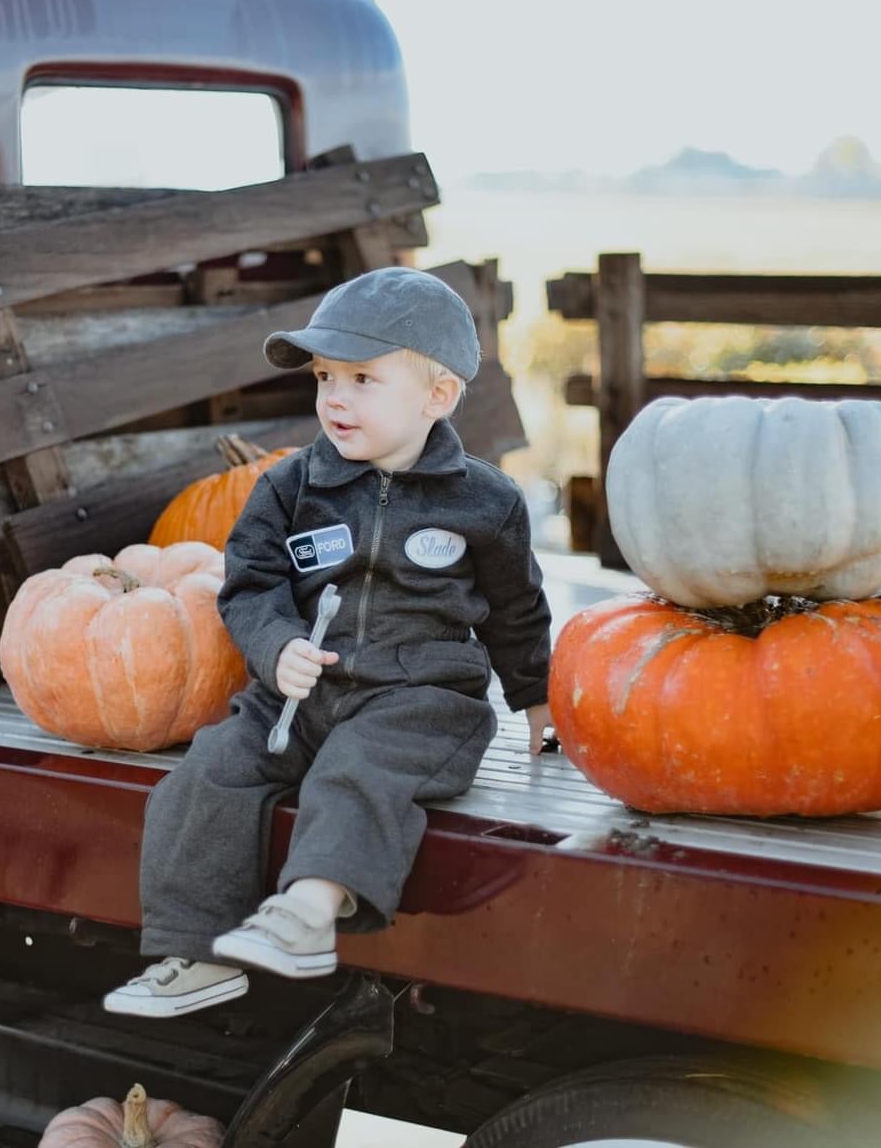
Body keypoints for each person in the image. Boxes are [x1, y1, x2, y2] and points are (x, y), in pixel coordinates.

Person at [103, 267, 552, 1019]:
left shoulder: (485, 501)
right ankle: (197, 952)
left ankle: (309, 912)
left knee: (358, 772)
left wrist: (535, 696)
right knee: (209, 771)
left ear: (436, 396)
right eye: (324, 377)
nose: (334, 398)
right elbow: (248, 584)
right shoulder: (290, 487)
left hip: (421, 699)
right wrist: (275, 644)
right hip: (301, 695)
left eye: (362, 379)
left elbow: (517, 608)